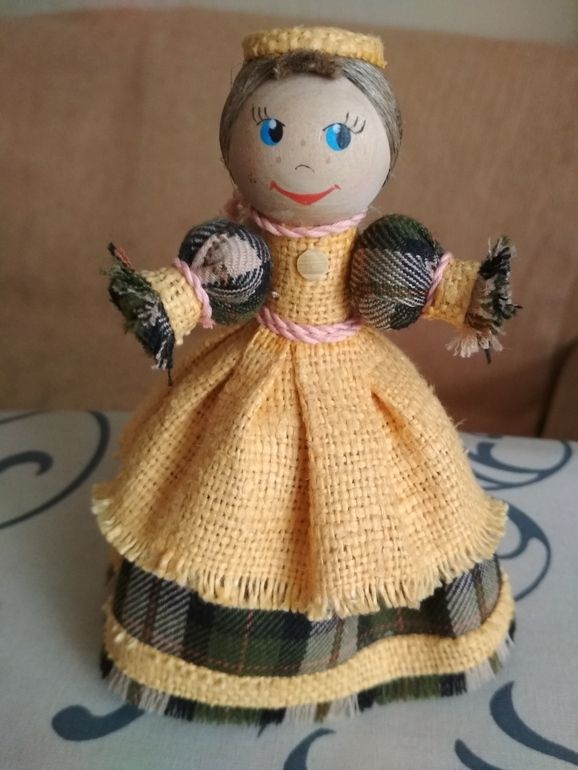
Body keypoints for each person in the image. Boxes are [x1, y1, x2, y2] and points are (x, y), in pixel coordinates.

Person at [94, 26, 517, 725]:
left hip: (357, 381)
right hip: (249, 377)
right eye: (271, 131)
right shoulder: (239, 250)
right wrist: (163, 301)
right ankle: (201, 660)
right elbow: (206, 284)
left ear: (385, 148)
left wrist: (469, 292)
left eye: (341, 138)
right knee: (215, 495)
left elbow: (421, 282)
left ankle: (388, 648)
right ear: (234, 141)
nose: (303, 158)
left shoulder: (377, 251)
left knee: (400, 501)